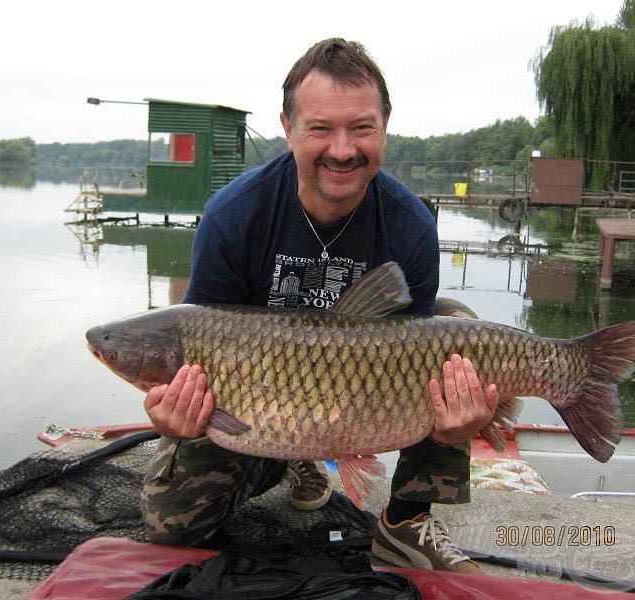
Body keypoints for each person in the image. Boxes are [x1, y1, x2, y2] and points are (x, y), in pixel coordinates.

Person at [140, 38, 498, 574]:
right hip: (258, 398)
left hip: (370, 385)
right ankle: (293, 460)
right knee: (173, 525)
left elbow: (412, 350)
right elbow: (199, 340)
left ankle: (405, 522)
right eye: (321, 128)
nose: (342, 148)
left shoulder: (410, 224)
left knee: (454, 335)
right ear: (288, 128)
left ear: (384, 127)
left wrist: (453, 428)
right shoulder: (233, 216)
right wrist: (179, 418)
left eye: (361, 127)